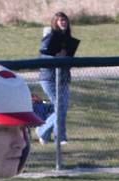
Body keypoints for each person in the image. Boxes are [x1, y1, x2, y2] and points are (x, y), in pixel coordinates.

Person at [36, 11, 78, 145]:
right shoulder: (50, 37)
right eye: (60, 20)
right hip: (49, 78)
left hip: (64, 77)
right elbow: (43, 54)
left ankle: (43, 130)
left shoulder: (68, 39)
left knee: (62, 108)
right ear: (55, 22)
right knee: (60, 107)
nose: (63, 22)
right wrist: (55, 56)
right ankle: (60, 137)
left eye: (65, 20)